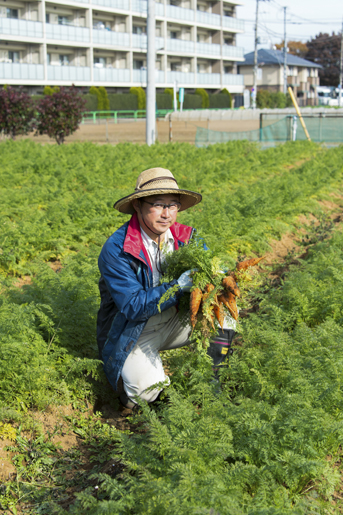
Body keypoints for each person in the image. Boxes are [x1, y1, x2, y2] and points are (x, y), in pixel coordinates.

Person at [97, 168, 235, 409]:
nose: (167, 214)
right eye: (158, 205)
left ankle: (213, 378)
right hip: (135, 331)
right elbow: (132, 306)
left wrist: (217, 277)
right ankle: (127, 380)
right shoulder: (118, 249)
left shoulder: (188, 238)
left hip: (177, 321)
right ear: (138, 206)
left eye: (173, 205)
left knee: (225, 316)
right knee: (145, 392)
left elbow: (208, 276)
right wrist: (177, 287)